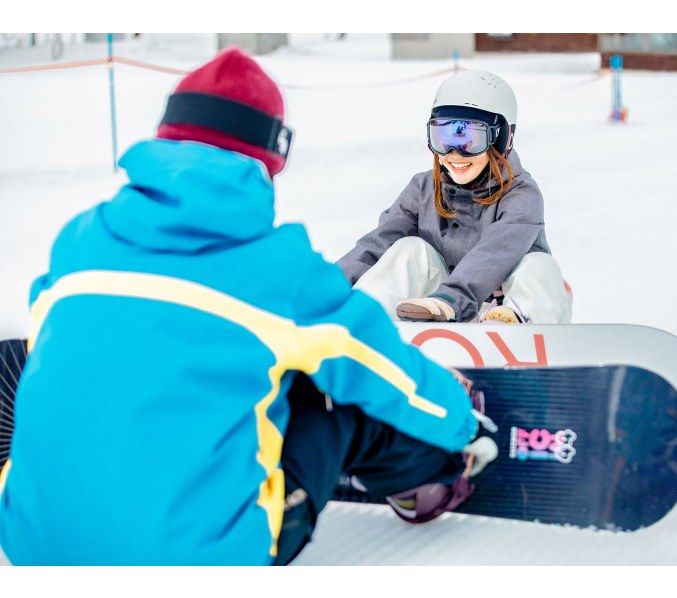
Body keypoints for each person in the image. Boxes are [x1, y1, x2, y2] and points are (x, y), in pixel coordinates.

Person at [0, 48, 496, 565]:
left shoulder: (77, 241)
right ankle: (435, 478)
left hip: (32, 546)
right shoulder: (276, 269)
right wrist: (461, 421)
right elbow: (381, 369)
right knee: (328, 389)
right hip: (200, 559)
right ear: (269, 158)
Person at [337, 70, 573, 325]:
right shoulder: (423, 188)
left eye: (469, 138)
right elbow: (377, 245)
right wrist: (324, 288)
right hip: (437, 311)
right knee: (410, 250)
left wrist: (452, 300)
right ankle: (354, 324)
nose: (454, 153)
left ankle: (509, 328)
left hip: (505, 309)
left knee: (540, 266)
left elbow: (496, 253)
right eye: (443, 137)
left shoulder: (521, 194)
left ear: (503, 138)